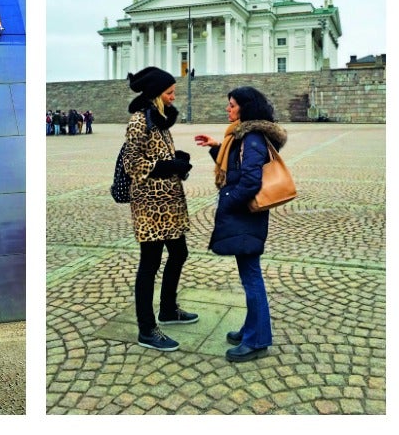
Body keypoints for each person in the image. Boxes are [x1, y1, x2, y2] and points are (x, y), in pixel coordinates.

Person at [194, 86, 287, 362]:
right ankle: (251, 329)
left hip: (247, 215)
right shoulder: (242, 136)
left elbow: (249, 182)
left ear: (245, 108)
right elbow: (236, 166)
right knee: (249, 275)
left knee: (252, 278)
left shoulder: (252, 138)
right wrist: (216, 148)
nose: (228, 109)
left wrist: (228, 200)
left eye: (232, 105)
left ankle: (257, 340)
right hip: (245, 216)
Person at [123, 67, 196, 351]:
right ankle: (146, 329)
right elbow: (134, 164)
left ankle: (167, 309)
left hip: (169, 202)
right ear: (155, 94)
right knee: (149, 264)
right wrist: (168, 166)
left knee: (180, 252)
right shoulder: (139, 122)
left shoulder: (160, 121)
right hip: (151, 205)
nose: (173, 96)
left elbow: (157, 155)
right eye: (169, 92)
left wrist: (177, 160)